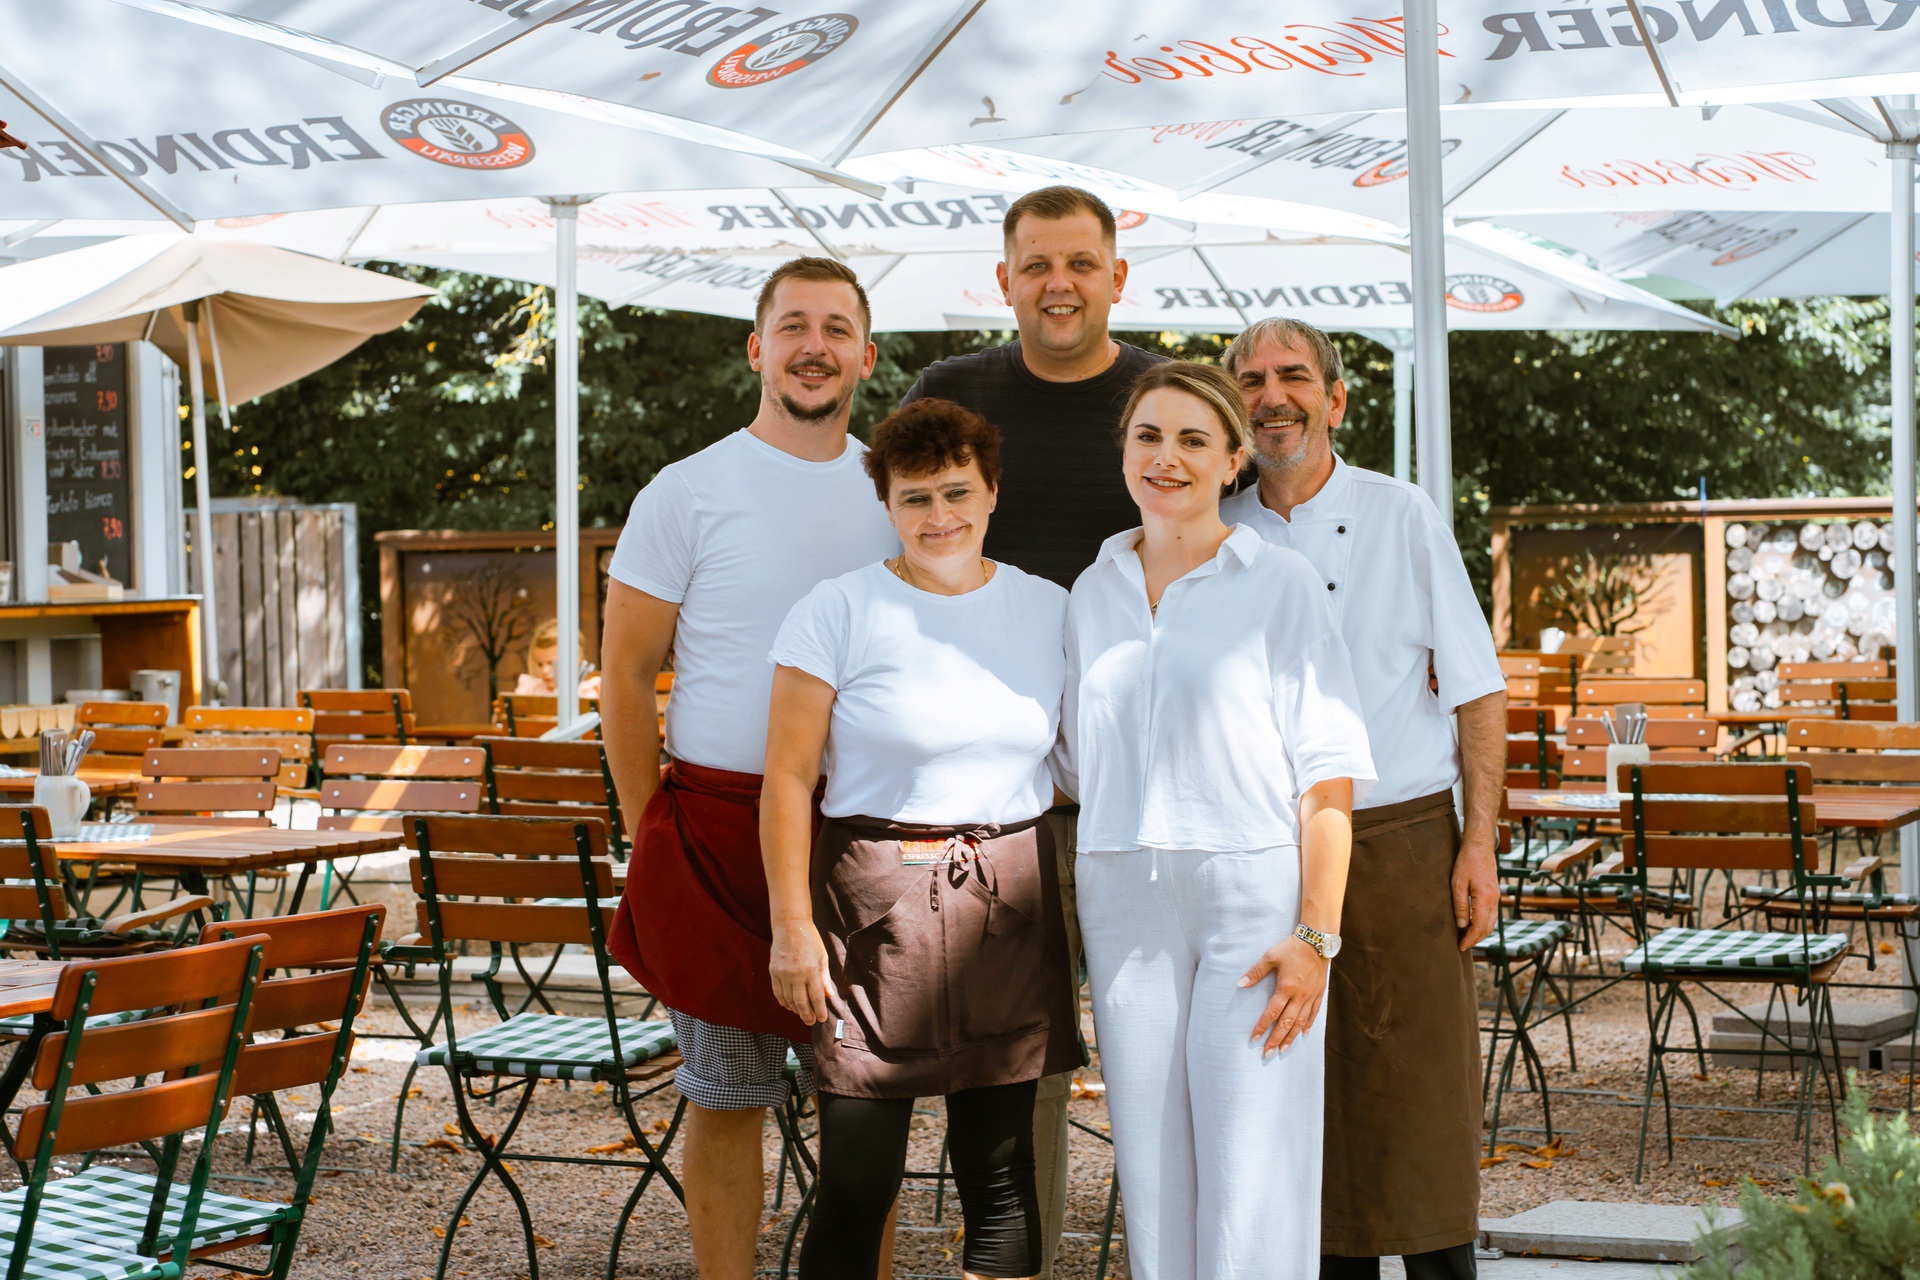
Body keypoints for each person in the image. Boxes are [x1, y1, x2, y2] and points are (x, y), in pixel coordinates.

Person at [599, 256, 899, 1279]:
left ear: (866, 352)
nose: (814, 345)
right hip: (713, 830)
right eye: (792, 325)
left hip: (861, 833)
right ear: (756, 347)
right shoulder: (686, 491)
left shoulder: (894, 496)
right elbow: (625, 674)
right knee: (726, 1092)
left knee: (867, 1101)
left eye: (836, 327)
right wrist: (656, 826)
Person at [1063, 360, 1376, 1280]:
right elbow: (1076, 761)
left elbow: (1329, 776)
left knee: (1251, 1175)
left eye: (1193, 439)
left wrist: (1316, 936)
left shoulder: (1280, 584)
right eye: (1149, 436)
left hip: (1251, 901)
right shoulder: (1091, 592)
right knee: (1154, 1178)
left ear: (1234, 461)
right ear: (1124, 452)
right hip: (1122, 901)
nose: (1167, 457)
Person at [902, 184, 1165, 1274]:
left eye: (1080, 262)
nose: (1059, 283)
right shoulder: (951, 391)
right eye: (1037, 264)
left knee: (1166, 1044)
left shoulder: (1163, 394)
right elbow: (905, 554)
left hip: (1153, 783)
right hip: (1003, 799)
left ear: (1115, 275)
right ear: (1003, 279)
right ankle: (1024, 1262)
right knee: (1015, 1067)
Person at [762, 398, 1080, 1280]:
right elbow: (787, 780)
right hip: (871, 905)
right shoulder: (836, 611)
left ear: (991, 492)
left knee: (1002, 1177)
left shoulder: (1050, 609)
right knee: (859, 1180)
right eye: (914, 499)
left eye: (956, 492)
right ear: (887, 504)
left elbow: (1082, 757)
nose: (939, 517)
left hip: (1006, 900)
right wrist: (793, 929)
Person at [1219, 319, 1507, 1279]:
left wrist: (1478, 846)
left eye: (1293, 376)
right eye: (1252, 379)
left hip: (1401, 845)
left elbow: (1475, 688)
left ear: (1336, 400)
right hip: (1267, 855)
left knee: (1419, 1110)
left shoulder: (1402, 513)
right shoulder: (1215, 530)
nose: (1273, 395)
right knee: (1305, 1115)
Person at [512, 617, 602, 699]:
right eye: (540, 664)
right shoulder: (530, 690)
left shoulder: (586, 692)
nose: (545, 671)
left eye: (552, 663)